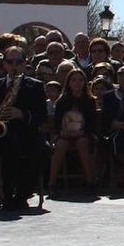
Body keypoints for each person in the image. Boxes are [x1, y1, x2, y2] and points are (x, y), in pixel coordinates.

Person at [46, 68, 98, 196]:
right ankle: (52, 184)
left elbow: (92, 123)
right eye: (74, 80)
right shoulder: (62, 101)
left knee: (82, 143)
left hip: (83, 134)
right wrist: (62, 132)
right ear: (68, 83)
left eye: (80, 80)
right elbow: (57, 122)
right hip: (65, 134)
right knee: (60, 145)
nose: (77, 83)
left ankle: (90, 182)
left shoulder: (90, 101)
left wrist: (82, 132)